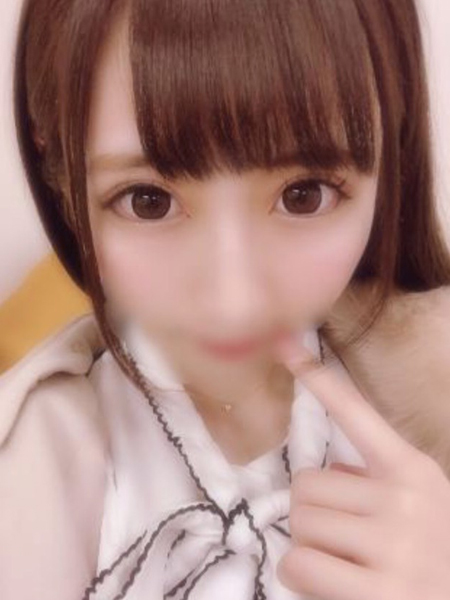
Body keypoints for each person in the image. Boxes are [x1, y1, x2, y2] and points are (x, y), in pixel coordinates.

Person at [2, 0, 450, 598]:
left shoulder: (432, 402)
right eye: (148, 202)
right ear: (57, 165)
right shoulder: (40, 462)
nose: (231, 300)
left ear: (393, 149)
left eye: (303, 195)